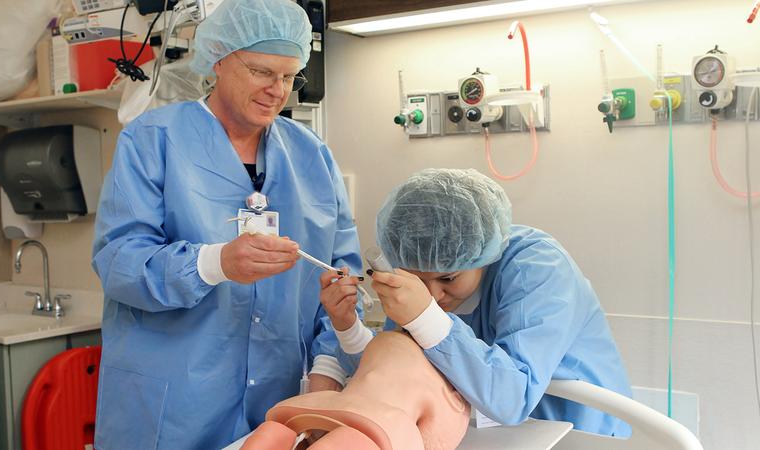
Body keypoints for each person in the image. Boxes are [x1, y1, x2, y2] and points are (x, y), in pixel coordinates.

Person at [91, 1, 361, 448]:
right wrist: (213, 263)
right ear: (219, 59)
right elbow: (119, 263)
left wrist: (326, 373)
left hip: (276, 410)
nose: (278, 90)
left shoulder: (312, 156)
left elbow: (340, 282)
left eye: (289, 77)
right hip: (173, 408)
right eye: (261, 71)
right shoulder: (152, 140)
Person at [320, 168, 632, 437]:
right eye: (417, 279)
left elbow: (513, 398)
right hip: (503, 434)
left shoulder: (538, 269)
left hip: (582, 434)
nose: (432, 296)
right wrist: (347, 326)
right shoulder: (423, 286)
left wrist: (425, 318)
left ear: (482, 255)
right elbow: (392, 370)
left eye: (448, 279)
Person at [241, 331, 470, 450]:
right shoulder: (451, 394)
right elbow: (434, 440)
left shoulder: (386, 340)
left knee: (277, 434)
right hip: (378, 423)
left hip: (321, 403)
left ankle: (271, 436)